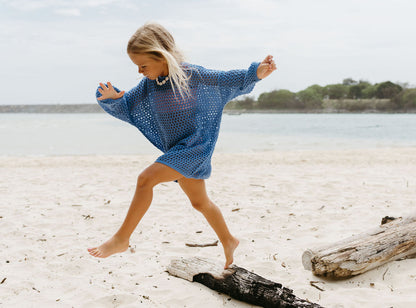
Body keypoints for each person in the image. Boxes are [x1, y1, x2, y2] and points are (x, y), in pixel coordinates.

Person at [88, 22, 276, 269]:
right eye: (137, 66)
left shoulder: (191, 74)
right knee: (200, 203)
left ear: (162, 55)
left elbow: (223, 80)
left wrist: (255, 73)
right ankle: (229, 240)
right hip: (178, 150)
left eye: (143, 65)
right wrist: (114, 98)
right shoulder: (148, 86)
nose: (140, 72)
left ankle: (121, 239)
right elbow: (128, 105)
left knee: (145, 179)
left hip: (196, 147)